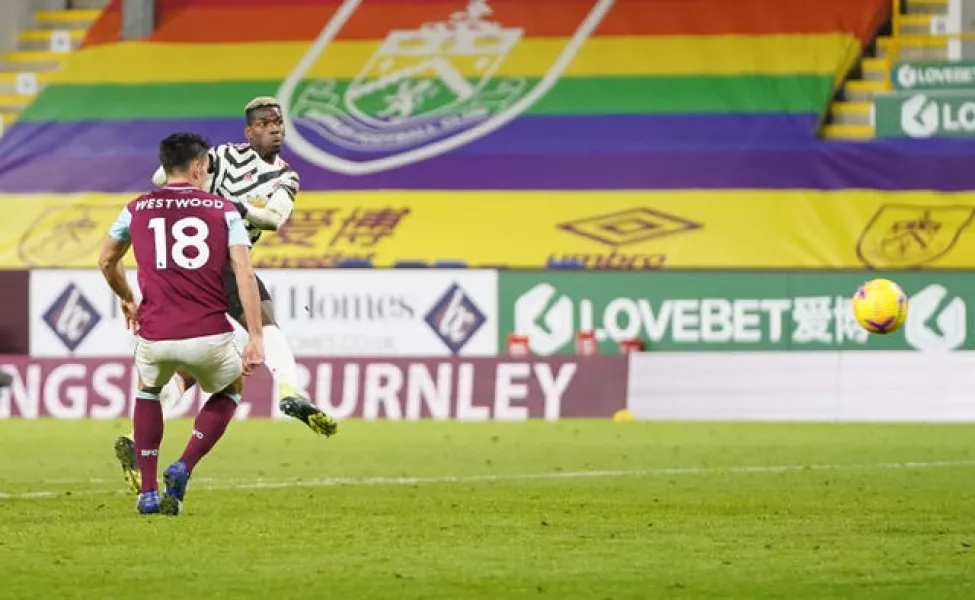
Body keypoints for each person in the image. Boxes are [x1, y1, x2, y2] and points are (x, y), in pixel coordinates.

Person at [114, 97, 337, 495]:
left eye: (279, 123)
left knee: (186, 366)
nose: (276, 129)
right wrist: (203, 200)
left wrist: (218, 202)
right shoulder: (220, 156)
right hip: (214, 259)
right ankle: (290, 389)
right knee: (263, 320)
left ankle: (136, 438)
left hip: (216, 259)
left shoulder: (286, 176)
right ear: (248, 131)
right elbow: (164, 176)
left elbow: (273, 218)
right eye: (266, 123)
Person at [99, 132, 265, 515]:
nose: (206, 173)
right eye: (206, 167)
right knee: (229, 389)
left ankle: (148, 492)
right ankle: (184, 465)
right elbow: (243, 272)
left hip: (155, 335)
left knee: (148, 390)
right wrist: (256, 335)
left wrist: (127, 297)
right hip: (209, 334)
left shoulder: (135, 208)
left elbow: (106, 260)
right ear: (196, 167)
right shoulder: (224, 211)